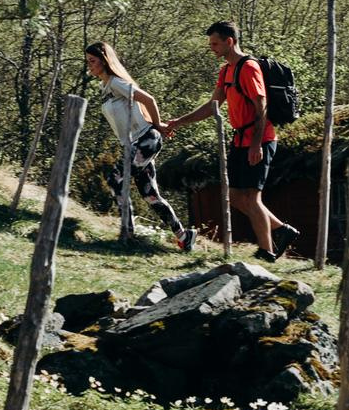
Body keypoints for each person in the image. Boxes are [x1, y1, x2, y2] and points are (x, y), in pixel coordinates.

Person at [163, 19, 297, 259]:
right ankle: (281, 230)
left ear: (230, 42)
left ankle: (266, 251)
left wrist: (256, 144)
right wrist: (179, 121)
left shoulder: (248, 67)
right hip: (240, 141)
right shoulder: (226, 70)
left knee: (252, 197)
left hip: (260, 139)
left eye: (215, 43)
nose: (211, 48)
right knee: (235, 196)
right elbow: (212, 106)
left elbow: (261, 105)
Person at [84, 41, 193, 252]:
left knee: (116, 179)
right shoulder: (105, 87)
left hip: (146, 139)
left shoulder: (116, 83)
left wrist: (159, 126)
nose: (89, 66)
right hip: (135, 144)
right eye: (88, 61)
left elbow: (149, 99)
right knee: (150, 195)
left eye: (92, 61)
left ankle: (128, 232)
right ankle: (184, 235)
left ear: (104, 61)